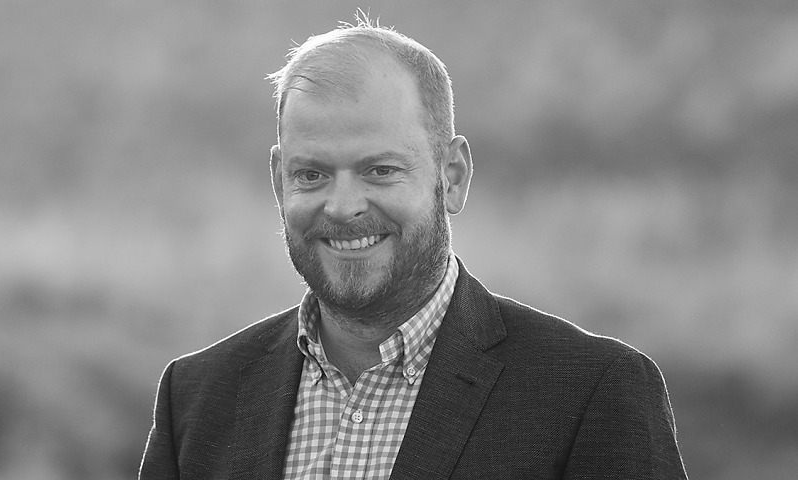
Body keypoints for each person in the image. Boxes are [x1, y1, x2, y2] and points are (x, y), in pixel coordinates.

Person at [139, 16, 687, 480]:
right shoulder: (196, 398)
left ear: (452, 177)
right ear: (279, 181)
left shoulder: (591, 393)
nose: (342, 207)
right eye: (311, 174)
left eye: (380, 170)